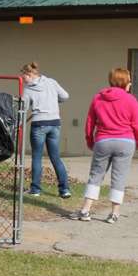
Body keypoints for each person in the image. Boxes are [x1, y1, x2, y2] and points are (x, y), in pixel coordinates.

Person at [71, 68, 138, 223]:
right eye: (129, 80)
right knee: (119, 177)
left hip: (103, 140)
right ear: (125, 82)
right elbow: (136, 124)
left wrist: (89, 140)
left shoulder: (98, 98)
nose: (130, 83)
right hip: (125, 141)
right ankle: (114, 214)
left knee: (96, 175)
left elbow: (90, 122)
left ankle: (86, 210)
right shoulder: (131, 100)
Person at [21, 61, 71, 198]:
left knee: (37, 157)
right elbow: (65, 96)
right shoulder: (51, 82)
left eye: (24, 75)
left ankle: (35, 189)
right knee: (55, 157)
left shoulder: (28, 89)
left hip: (39, 124)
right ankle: (65, 190)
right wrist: (54, 101)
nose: (23, 78)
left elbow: (23, 108)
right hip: (55, 123)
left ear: (29, 74)